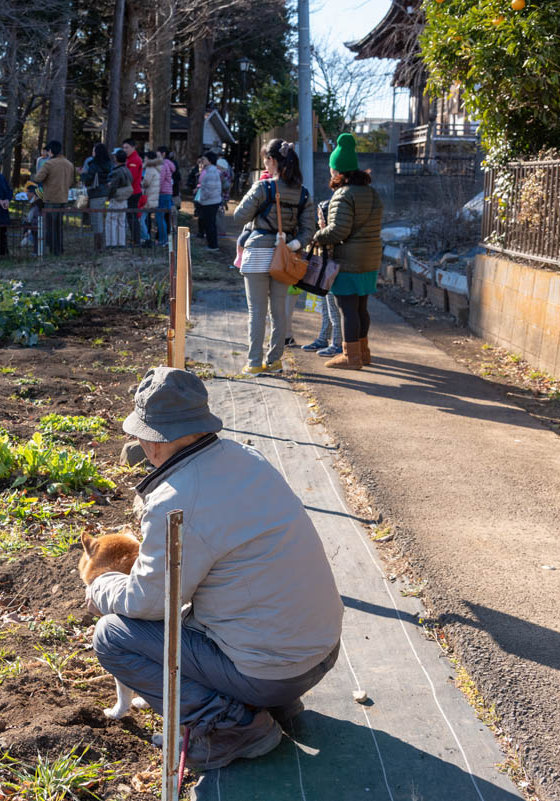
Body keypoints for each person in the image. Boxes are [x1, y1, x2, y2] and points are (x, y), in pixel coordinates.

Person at [88, 366, 342, 772]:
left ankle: (234, 728)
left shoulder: (177, 499)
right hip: (321, 649)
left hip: (274, 670)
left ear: (153, 443)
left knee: (113, 635)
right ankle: (268, 704)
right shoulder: (245, 457)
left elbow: (151, 603)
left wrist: (102, 584)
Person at [231, 139, 314, 375]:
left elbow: (239, 216)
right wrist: (293, 244)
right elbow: (309, 229)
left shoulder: (263, 188)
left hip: (257, 252)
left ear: (272, 161)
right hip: (284, 256)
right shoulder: (303, 194)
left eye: (266, 159)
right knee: (279, 310)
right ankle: (275, 360)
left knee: (256, 311)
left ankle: (254, 362)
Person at [312, 133, 384, 370]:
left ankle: (350, 357)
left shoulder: (343, 195)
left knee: (347, 309)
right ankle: (363, 353)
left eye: (332, 168)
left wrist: (318, 236)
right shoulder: (371, 193)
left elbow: (339, 230)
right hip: (370, 258)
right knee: (361, 307)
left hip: (349, 261)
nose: (330, 172)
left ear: (338, 171)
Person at [301, 198, 344, 357]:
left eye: (320, 217)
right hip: (324, 278)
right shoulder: (324, 236)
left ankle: (337, 343)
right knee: (326, 310)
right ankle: (323, 338)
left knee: (333, 312)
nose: (318, 220)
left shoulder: (330, 237)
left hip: (330, 278)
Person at [31, 139, 75, 256]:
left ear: (50, 151)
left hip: (50, 198)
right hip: (63, 197)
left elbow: (37, 178)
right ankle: (59, 249)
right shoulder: (69, 164)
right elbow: (71, 181)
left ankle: (52, 249)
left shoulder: (49, 164)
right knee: (59, 226)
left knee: (50, 226)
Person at [194, 153, 224, 252]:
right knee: (210, 224)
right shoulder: (211, 170)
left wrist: (202, 198)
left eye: (204, 158)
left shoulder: (210, 171)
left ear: (210, 160)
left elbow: (209, 188)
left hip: (210, 202)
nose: (202, 160)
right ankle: (212, 244)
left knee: (210, 224)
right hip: (212, 201)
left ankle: (213, 245)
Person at [104, 150, 133, 248]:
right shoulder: (127, 170)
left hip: (116, 198)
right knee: (121, 221)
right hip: (125, 198)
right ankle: (121, 242)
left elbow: (113, 186)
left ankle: (111, 243)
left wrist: (108, 195)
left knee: (111, 220)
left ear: (116, 158)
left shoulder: (117, 171)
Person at [122, 139, 143, 245]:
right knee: (131, 216)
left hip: (133, 192)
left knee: (132, 216)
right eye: (123, 148)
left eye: (127, 147)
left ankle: (136, 239)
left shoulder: (134, 159)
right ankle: (135, 239)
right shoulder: (130, 159)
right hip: (132, 191)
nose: (125, 150)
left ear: (133, 147)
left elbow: (131, 177)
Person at [139, 151, 161, 247]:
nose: (144, 159)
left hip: (148, 198)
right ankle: (146, 237)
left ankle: (146, 238)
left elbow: (145, 183)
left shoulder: (149, 169)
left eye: (145, 158)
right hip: (153, 197)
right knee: (145, 219)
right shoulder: (157, 168)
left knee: (141, 219)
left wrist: (140, 182)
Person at [156, 148, 177, 245]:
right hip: (167, 192)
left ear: (163, 154)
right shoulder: (168, 164)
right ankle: (165, 239)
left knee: (160, 217)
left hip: (163, 192)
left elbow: (160, 179)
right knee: (163, 217)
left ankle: (163, 239)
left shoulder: (163, 165)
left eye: (158, 153)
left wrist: (154, 189)